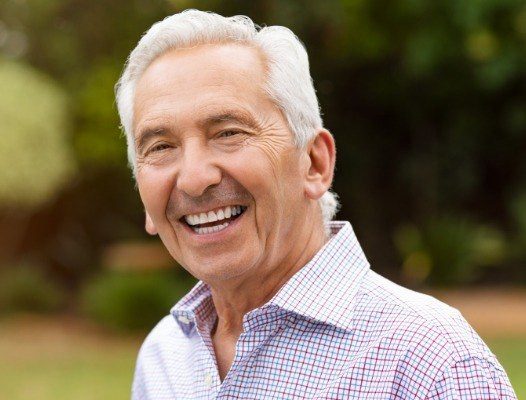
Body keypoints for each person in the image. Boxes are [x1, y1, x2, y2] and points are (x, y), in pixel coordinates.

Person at [115, 9, 517, 400]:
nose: (194, 177)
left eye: (228, 132)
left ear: (314, 163)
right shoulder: (164, 355)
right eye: (162, 146)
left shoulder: (431, 362)